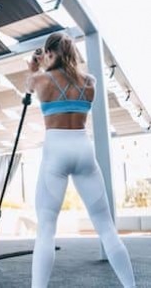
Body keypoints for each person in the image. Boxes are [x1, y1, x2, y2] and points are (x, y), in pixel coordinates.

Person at [26, 32, 136, 288]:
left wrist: (34, 67)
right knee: (107, 229)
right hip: (83, 149)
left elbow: (29, 85)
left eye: (47, 53)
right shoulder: (90, 82)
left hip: (56, 150)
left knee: (46, 230)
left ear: (50, 53)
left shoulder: (41, 80)